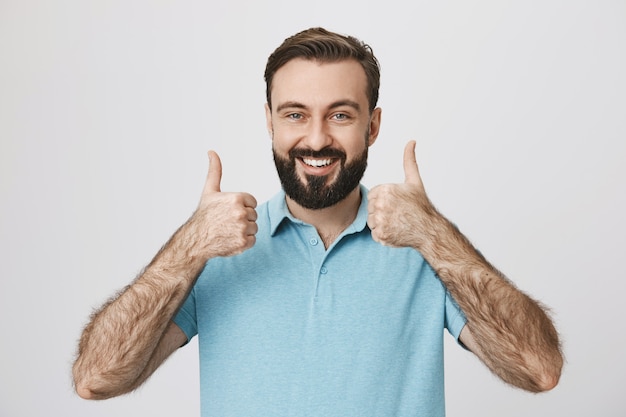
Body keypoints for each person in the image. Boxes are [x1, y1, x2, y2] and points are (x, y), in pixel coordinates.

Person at [72, 27, 563, 416]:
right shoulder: (217, 249)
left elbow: (539, 370)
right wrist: (188, 247)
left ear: (373, 126)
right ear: (269, 121)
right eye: (295, 114)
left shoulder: (424, 248)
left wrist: (436, 237)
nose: (316, 138)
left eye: (341, 115)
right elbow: (96, 378)